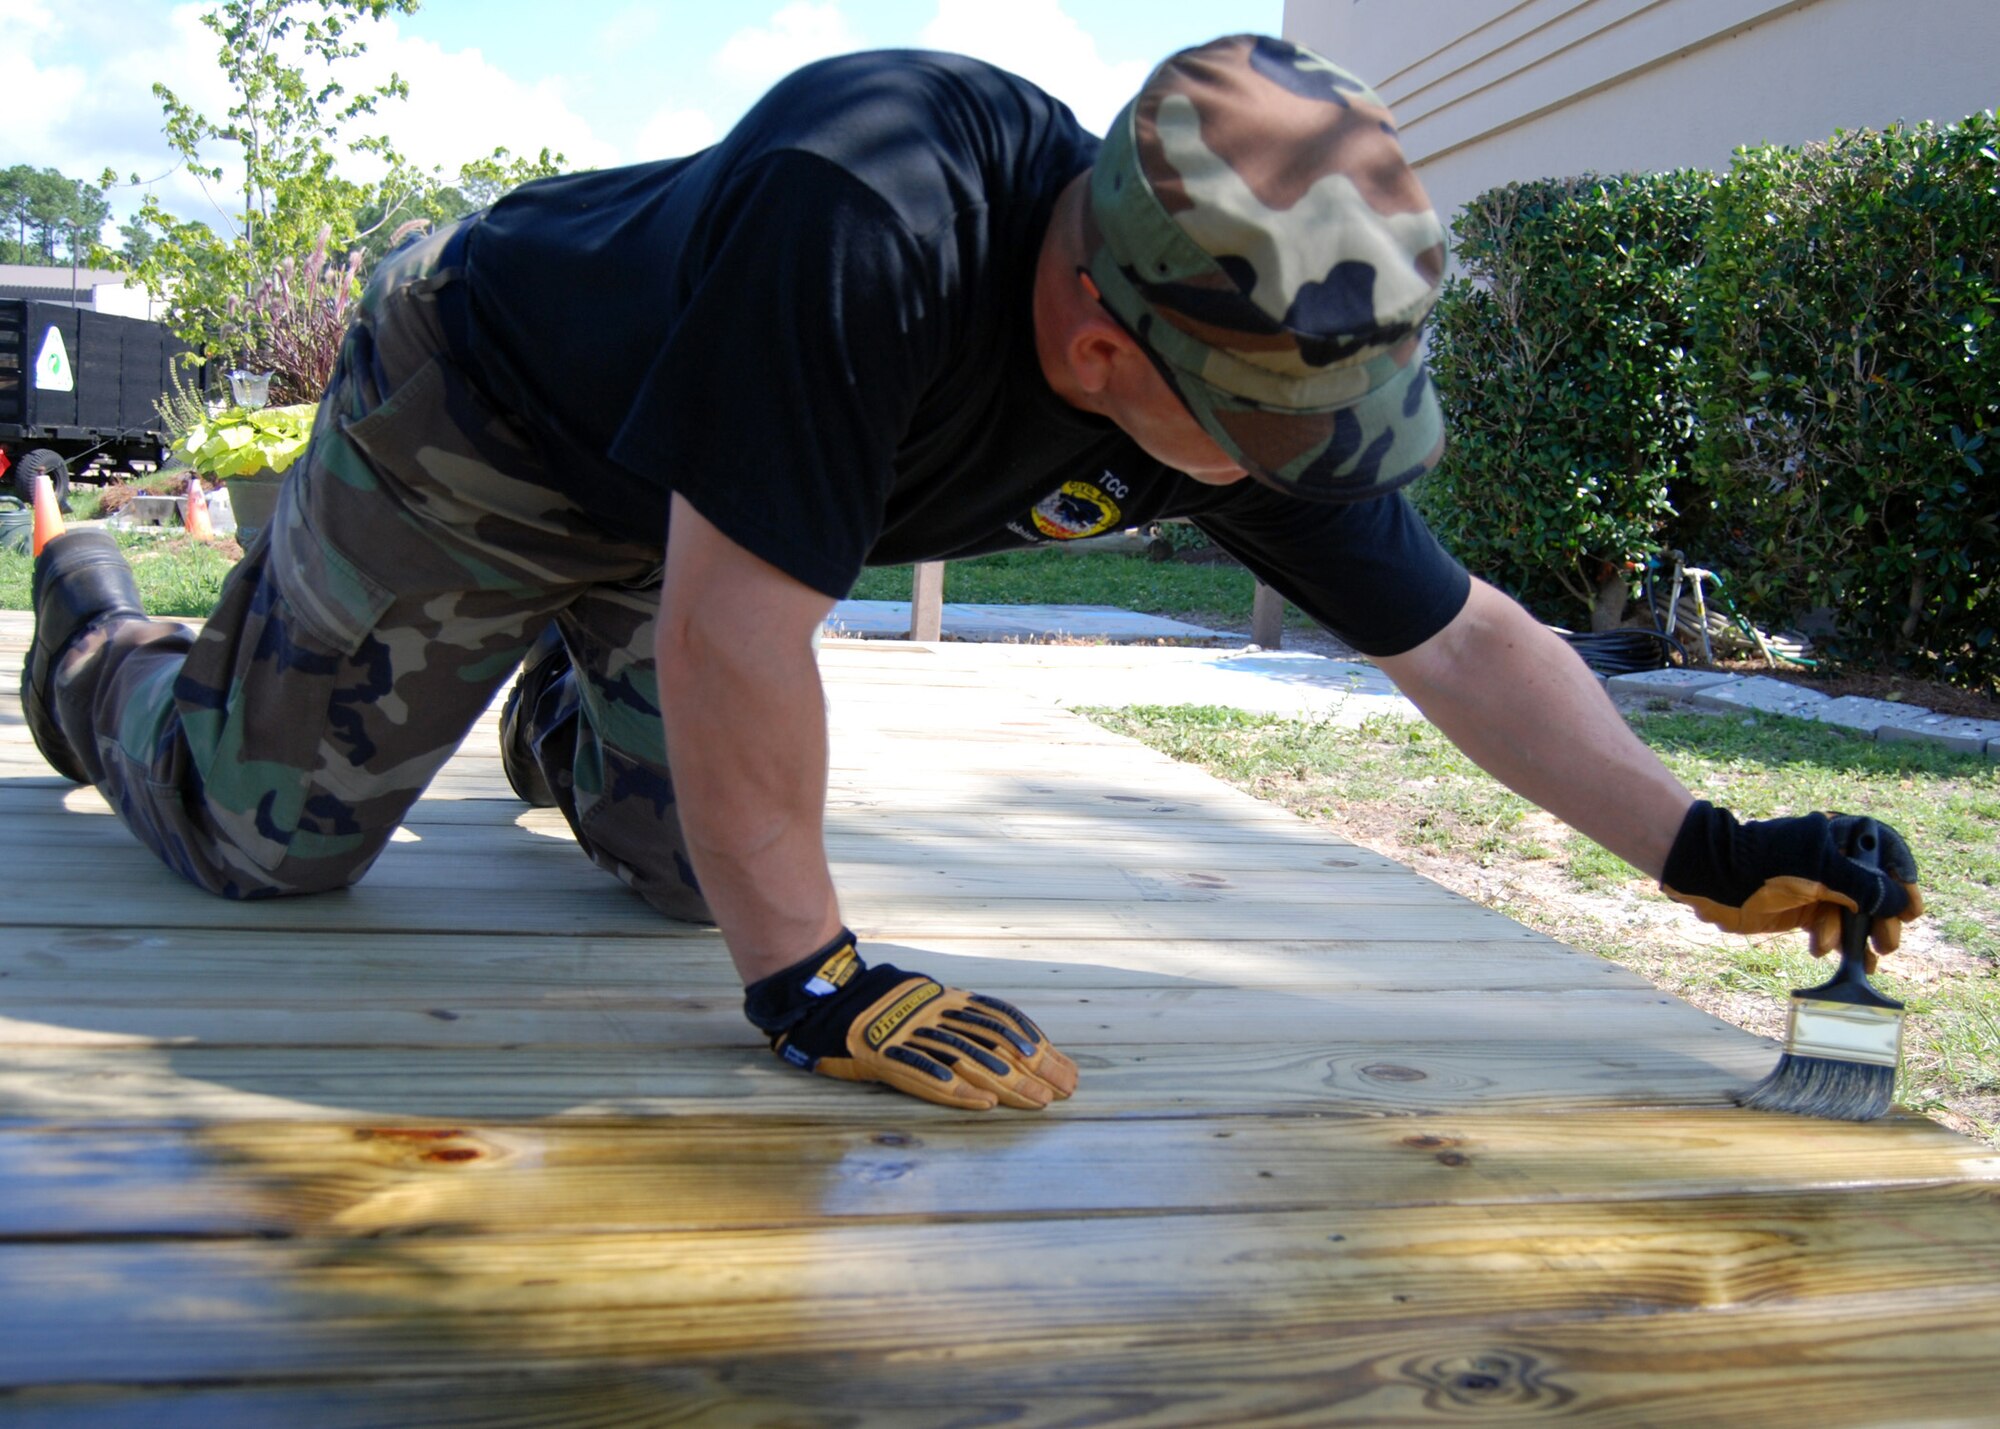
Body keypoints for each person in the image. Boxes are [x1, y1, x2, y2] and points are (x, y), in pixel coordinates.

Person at [21, 35, 1921, 1112]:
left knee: (696, 863)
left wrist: (1699, 844)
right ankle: (105, 636)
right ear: (1098, 349)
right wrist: (815, 983)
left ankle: (565, 703)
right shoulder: (868, 204)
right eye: (1265, 443)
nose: (1298, 486)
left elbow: (1468, 641)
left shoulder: (1233, 350)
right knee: (265, 843)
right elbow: (741, 623)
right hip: (497, 405)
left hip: (697, 530)